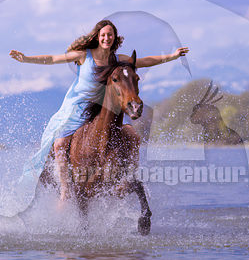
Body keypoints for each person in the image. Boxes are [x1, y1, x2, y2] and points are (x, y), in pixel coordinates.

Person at [10, 19, 189, 206]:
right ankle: (65, 191)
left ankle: (128, 176)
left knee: (133, 136)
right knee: (59, 143)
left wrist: (172, 56)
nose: (106, 38)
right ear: (97, 36)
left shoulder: (117, 59)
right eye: (103, 35)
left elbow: (143, 62)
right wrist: (27, 59)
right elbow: (54, 59)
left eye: (110, 35)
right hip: (76, 107)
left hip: (101, 106)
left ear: (114, 38)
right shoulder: (83, 55)